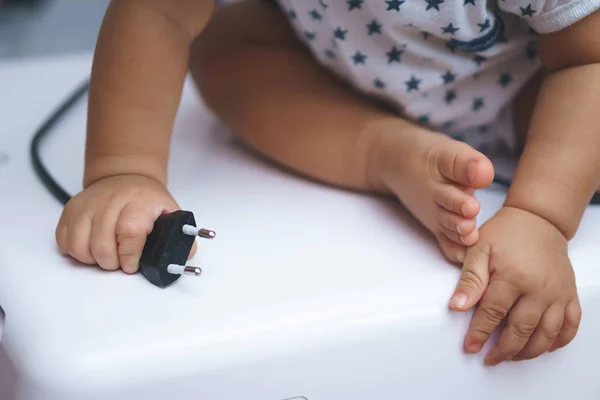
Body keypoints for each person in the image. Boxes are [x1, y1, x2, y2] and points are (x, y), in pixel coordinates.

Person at [56, 0, 600, 366]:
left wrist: (540, 214)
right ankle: (381, 149)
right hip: (335, 75)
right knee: (226, 44)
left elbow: (587, 59)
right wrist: (123, 167)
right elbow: (157, 13)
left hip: (533, 98)